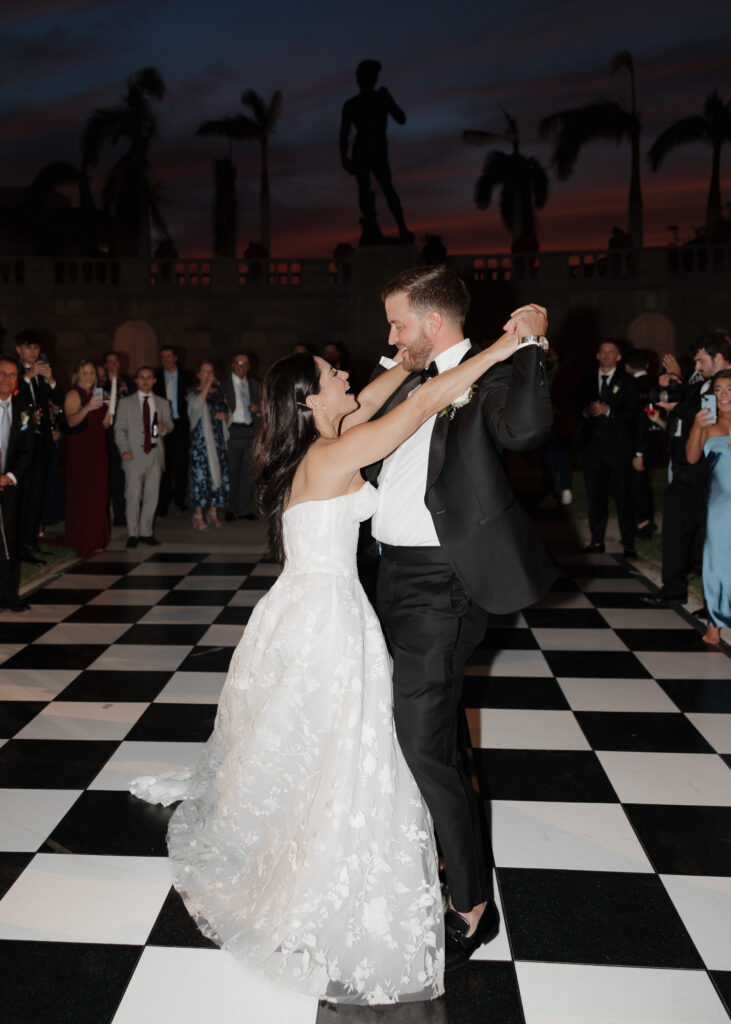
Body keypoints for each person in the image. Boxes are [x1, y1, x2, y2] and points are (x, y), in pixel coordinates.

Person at [129, 305, 541, 1003]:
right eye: (329, 374)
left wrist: (409, 355)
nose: (346, 370)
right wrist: (508, 343)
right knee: (337, 743)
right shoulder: (332, 451)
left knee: (324, 744)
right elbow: (427, 402)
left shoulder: (329, 435)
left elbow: (389, 389)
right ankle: (321, 863)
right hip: (324, 618)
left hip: (311, 608)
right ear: (310, 399)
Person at [368, 266, 554, 969]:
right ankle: (453, 852)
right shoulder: (418, 379)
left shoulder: (494, 373)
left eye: (397, 325)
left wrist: (531, 344)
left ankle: (472, 904)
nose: (389, 337)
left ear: (433, 323)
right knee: (436, 729)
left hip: (441, 582)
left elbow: (527, 430)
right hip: (392, 574)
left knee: (419, 742)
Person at [643, 333, 731, 607]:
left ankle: (712, 602)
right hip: (685, 465)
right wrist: (672, 383)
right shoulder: (702, 383)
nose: (697, 366)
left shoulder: (724, 386)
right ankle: (673, 589)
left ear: (717, 357)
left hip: (711, 469)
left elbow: (704, 414)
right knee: (675, 528)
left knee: (710, 536)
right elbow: (687, 406)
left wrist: (678, 403)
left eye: (701, 360)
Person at [574, 340, 638, 557]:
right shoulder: (587, 380)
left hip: (618, 450)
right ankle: (596, 540)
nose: (607, 355)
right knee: (595, 497)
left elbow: (633, 413)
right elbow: (574, 409)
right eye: (603, 352)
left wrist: (610, 411)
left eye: (611, 352)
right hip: (592, 449)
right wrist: (586, 412)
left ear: (619, 357)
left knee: (623, 497)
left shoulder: (628, 382)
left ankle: (628, 543)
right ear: (598, 356)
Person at [339, 59, 413, 244]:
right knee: (370, 190)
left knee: (385, 189)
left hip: (374, 150)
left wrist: (390, 100)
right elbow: (344, 134)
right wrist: (344, 159)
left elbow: (401, 118)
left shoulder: (378, 98)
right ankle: (376, 228)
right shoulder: (354, 104)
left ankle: (402, 229)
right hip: (366, 150)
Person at [685, 368, 731, 644]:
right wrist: (697, 426)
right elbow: (691, 458)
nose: (724, 396)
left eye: (729, 390)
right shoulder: (708, 421)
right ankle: (715, 622)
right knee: (716, 560)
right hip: (720, 505)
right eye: (719, 390)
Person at [15, 330, 63, 564]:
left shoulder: (42, 373)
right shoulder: (12, 371)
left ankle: (32, 542)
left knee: (37, 494)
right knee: (23, 496)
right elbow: (14, 398)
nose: (32, 352)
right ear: (18, 350)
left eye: (35, 348)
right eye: (28, 348)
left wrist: (52, 380)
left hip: (42, 442)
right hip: (22, 444)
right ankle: (21, 546)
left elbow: (59, 401)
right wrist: (26, 378)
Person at [114, 367, 173, 549]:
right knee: (132, 495)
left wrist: (165, 427)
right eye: (142, 377)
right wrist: (124, 449)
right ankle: (133, 533)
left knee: (152, 495)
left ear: (154, 380)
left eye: (149, 377)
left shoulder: (163, 403)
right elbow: (119, 429)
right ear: (136, 380)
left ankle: (146, 532)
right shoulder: (126, 403)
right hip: (134, 453)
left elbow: (170, 425)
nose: (146, 381)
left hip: (155, 453)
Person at [63, 361, 112, 556]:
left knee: (99, 494)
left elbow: (105, 424)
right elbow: (71, 421)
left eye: (92, 373)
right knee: (85, 494)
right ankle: (86, 540)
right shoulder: (73, 394)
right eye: (85, 373)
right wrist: (88, 407)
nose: (89, 377)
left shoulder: (97, 394)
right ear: (77, 374)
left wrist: (110, 407)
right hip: (82, 451)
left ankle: (97, 538)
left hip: (99, 449)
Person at [0, 355, 34, 612]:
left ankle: (10, 595)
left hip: (9, 485)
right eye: (2, 373)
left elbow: (26, 451)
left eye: (12, 375)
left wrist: (10, 477)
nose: (6, 379)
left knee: (11, 540)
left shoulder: (23, 411)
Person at [188, 360, 230, 530]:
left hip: (218, 442)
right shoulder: (192, 392)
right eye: (205, 372)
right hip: (200, 444)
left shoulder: (220, 393)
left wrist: (226, 418)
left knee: (218, 475)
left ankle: (212, 512)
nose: (209, 375)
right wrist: (206, 386)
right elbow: (195, 408)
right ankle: (197, 515)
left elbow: (228, 413)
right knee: (200, 478)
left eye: (211, 372)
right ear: (199, 375)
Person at [154, 345, 193, 515]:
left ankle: (179, 498)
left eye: (169, 356)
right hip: (162, 424)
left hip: (181, 425)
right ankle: (164, 501)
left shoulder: (187, 376)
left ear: (175, 358)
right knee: (164, 464)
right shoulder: (155, 377)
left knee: (181, 464)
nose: (166, 360)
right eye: (163, 357)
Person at [222, 352, 259, 521]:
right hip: (232, 432)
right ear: (232, 365)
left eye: (244, 363)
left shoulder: (255, 385)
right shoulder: (224, 384)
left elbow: (264, 407)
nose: (240, 367)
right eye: (237, 363)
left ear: (249, 366)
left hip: (250, 431)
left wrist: (258, 409)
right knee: (231, 472)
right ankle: (229, 509)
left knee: (247, 473)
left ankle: (244, 510)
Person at [103, 350, 134, 526]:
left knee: (121, 475)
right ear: (106, 365)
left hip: (125, 434)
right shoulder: (101, 383)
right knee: (109, 475)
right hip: (106, 434)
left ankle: (121, 512)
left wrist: (126, 392)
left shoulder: (128, 382)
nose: (113, 364)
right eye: (110, 361)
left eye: (116, 361)